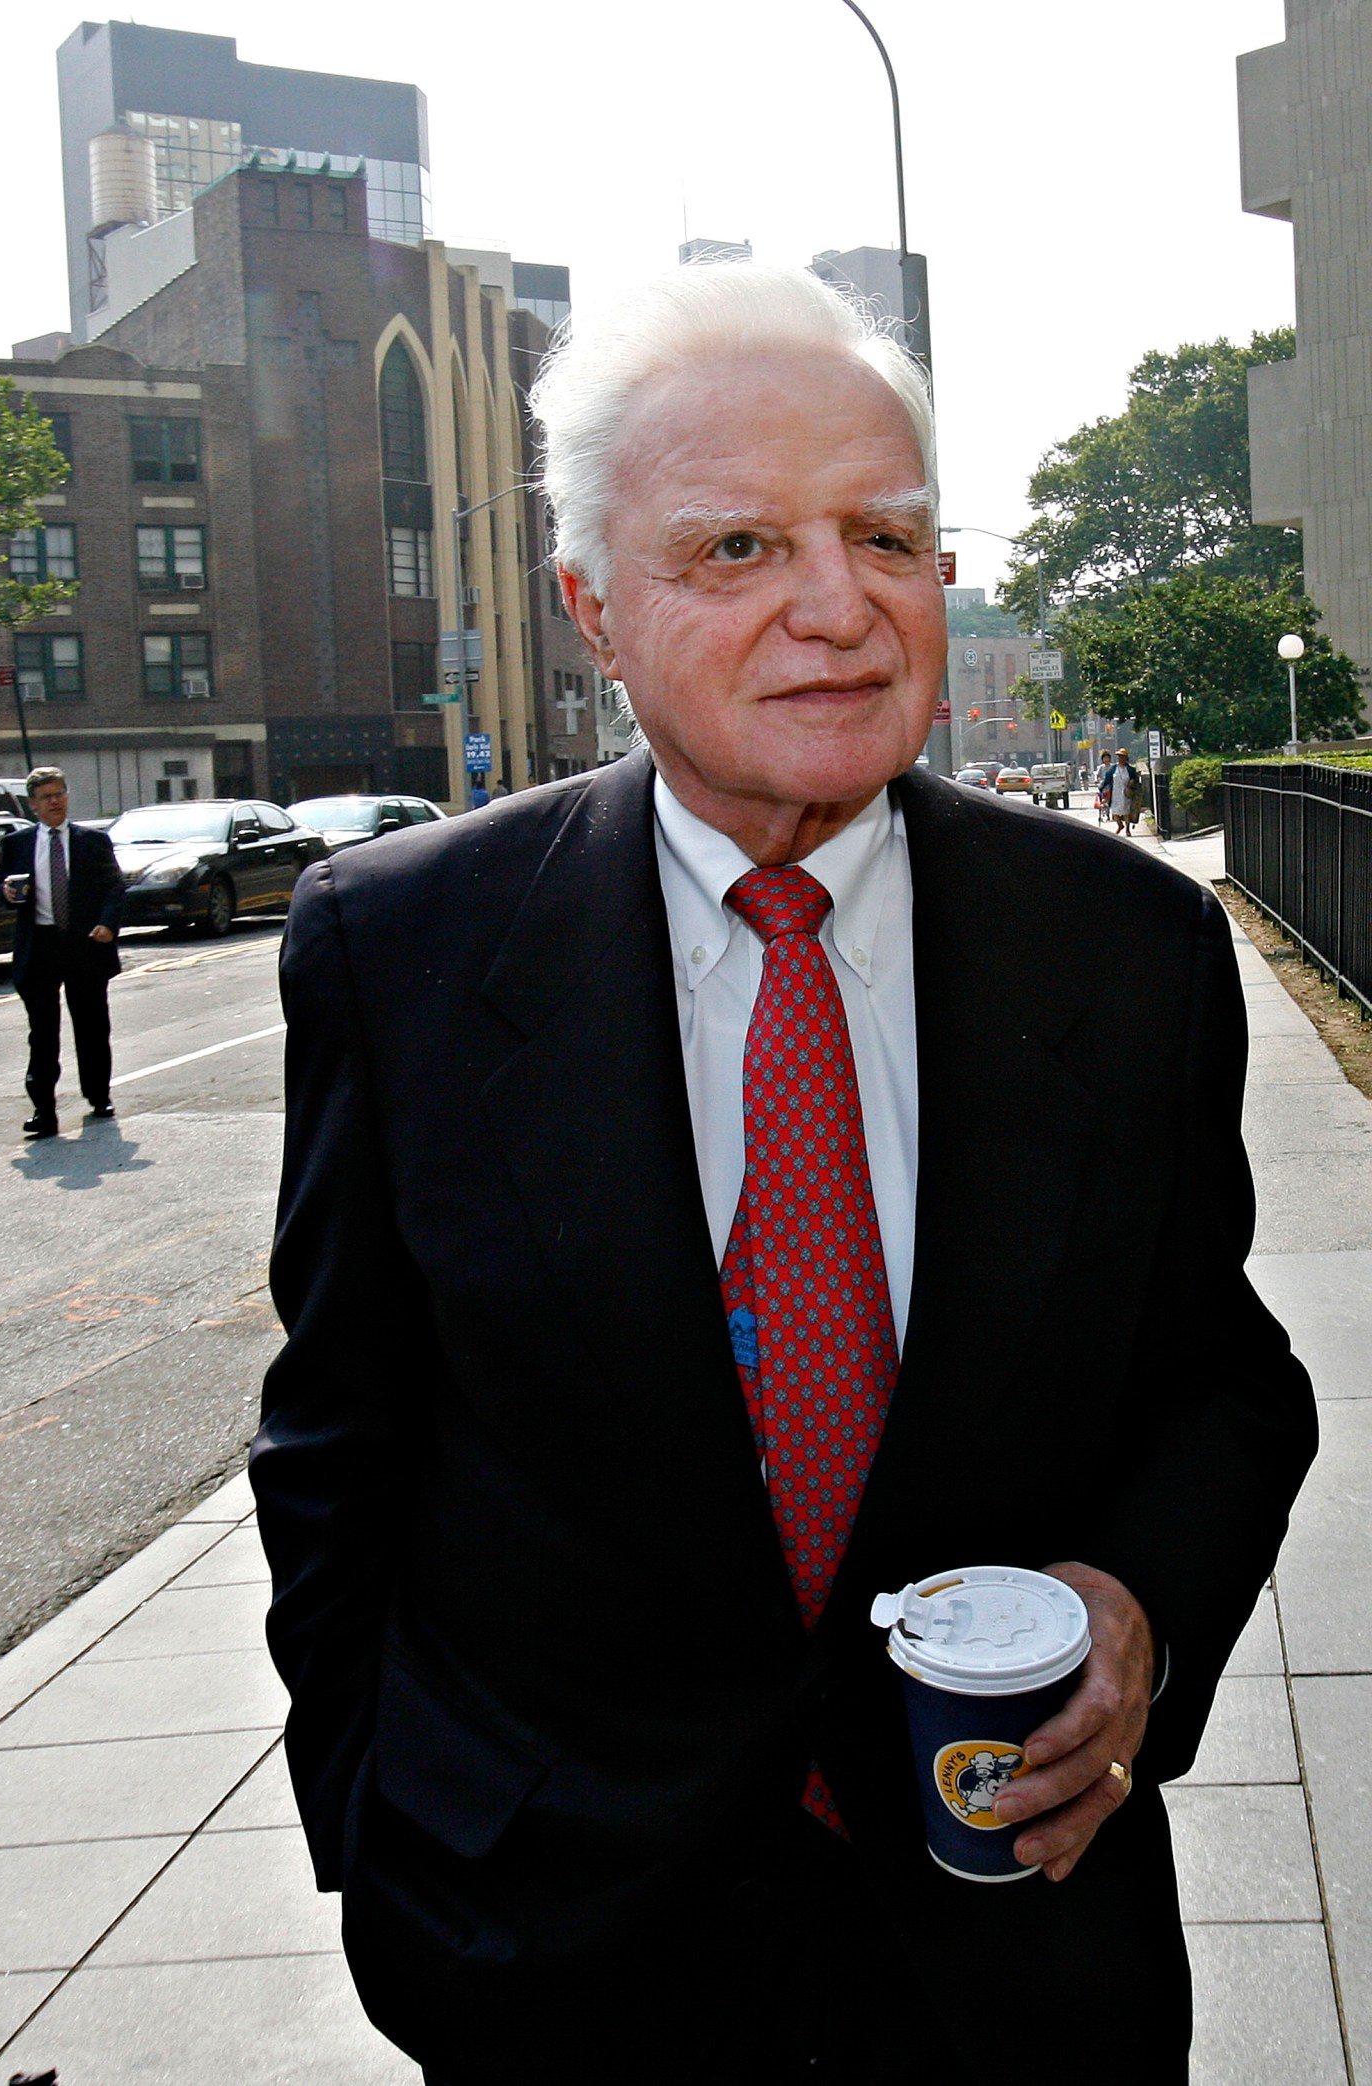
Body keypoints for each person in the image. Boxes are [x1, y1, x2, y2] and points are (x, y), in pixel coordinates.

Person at [251, 265, 1316, 2085]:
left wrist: (1143, 1604)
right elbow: (341, 1438)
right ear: (593, 605)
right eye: (737, 546)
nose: (839, 606)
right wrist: (384, 1845)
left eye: (884, 536)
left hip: (1015, 1953)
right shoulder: (400, 947)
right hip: (560, 1964)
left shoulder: (1126, 946)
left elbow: (1219, 1380)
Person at [1, 767, 124, 1137]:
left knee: (91, 1025)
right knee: (42, 1032)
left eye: (59, 794)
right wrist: (4, 892)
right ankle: (44, 1110)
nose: (54, 802)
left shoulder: (92, 842)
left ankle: (98, 1095)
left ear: (67, 796)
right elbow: (2, 887)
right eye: (46, 797)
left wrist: (108, 924)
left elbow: (114, 887)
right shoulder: (18, 844)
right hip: (40, 945)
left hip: (85, 943)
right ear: (33, 805)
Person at [1109, 747, 1142, 836]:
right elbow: (1107, 779)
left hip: (1126, 793)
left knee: (1126, 812)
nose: (1120, 758)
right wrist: (1101, 788)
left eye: (1122, 756)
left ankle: (1127, 829)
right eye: (1119, 756)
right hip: (1115, 793)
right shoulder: (1113, 768)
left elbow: (1136, 780)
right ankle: (1120, 825)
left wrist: (1133, 782)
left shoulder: (1130, 769)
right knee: (1115, 812)